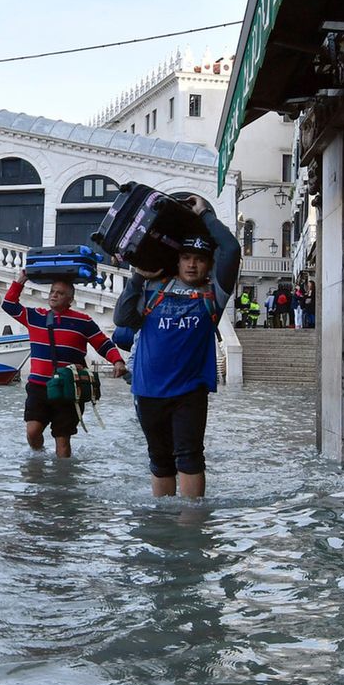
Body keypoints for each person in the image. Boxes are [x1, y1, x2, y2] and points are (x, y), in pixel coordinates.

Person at [113, 196, 241, 498]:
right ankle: (163, 524)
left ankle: (192, 528)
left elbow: (232, 249)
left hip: (190, 392)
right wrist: (137, 277)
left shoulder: (214, 293)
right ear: (177, 260)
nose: (192, 264)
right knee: (159, 459)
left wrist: (205, 214)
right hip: (147, 390)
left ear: (209, 264)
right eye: (186, 257)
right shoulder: (152, 288)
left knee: (190, 457)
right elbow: (123, 317)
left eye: (199, 258)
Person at [3, 273, 127, 458]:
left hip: (68, 388)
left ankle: (62, 481)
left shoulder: (83, 321)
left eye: (59, 293)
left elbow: (103, 344)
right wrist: (22, 279)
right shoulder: (35, 316)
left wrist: (117, 360)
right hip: (38, 387)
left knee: (62, 440)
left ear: (70, 299)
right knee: (32, 431)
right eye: (52, 291)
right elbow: (9, 305)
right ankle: (38, 458)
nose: (53, 295)